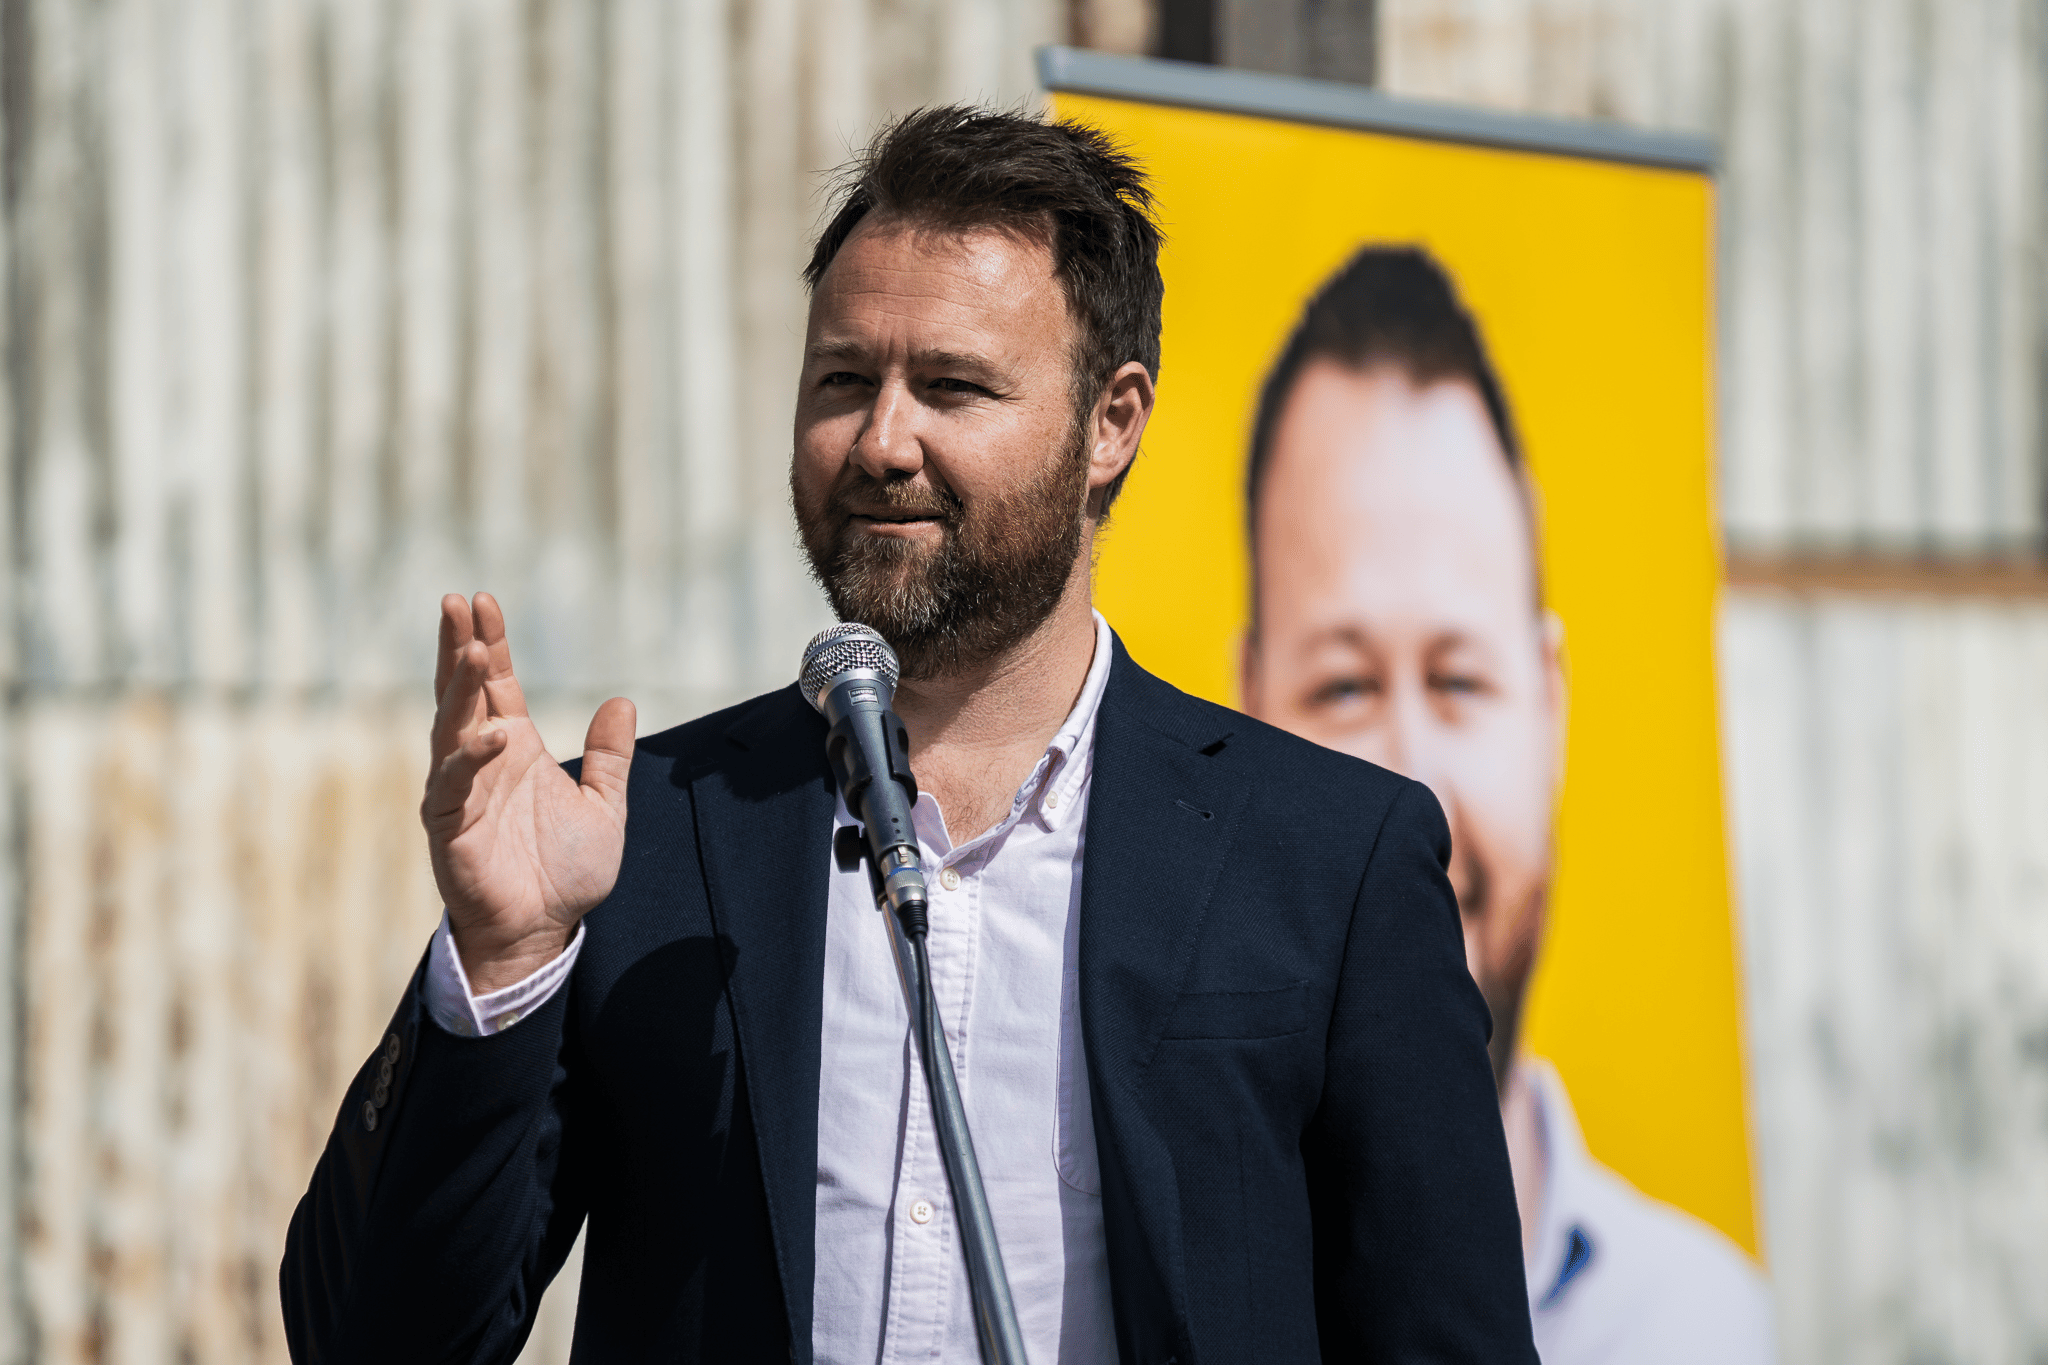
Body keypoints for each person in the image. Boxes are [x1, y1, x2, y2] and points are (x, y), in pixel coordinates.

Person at [279, 111, 1536, 1364]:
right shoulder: (637, 839)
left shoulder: (1325, 856)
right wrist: (501, 966)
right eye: (841, 381)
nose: (881, 443)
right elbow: (368, 1344)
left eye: (950, 386)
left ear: (1111, 423)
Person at [1238, 245, 1775, 1363]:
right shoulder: (1160, 1293)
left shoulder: (1700, 1323)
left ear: (1548, 708)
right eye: (1341, 686)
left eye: (1458, 680)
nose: (1412, 793)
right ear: (1243, 712)